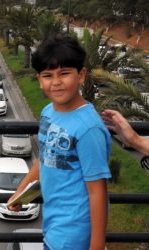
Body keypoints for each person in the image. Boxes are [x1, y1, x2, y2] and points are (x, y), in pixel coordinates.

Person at [7, 34, 112, 250]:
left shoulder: (88, 128)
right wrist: (21, 190)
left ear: (81, 75)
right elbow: (46, 157)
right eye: (48, 75)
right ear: (39, 80)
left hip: (74, 237)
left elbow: (98, 191)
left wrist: (97, 246)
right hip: (54, 228)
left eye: (64, 73)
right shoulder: (48, 112)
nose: (56, 82)